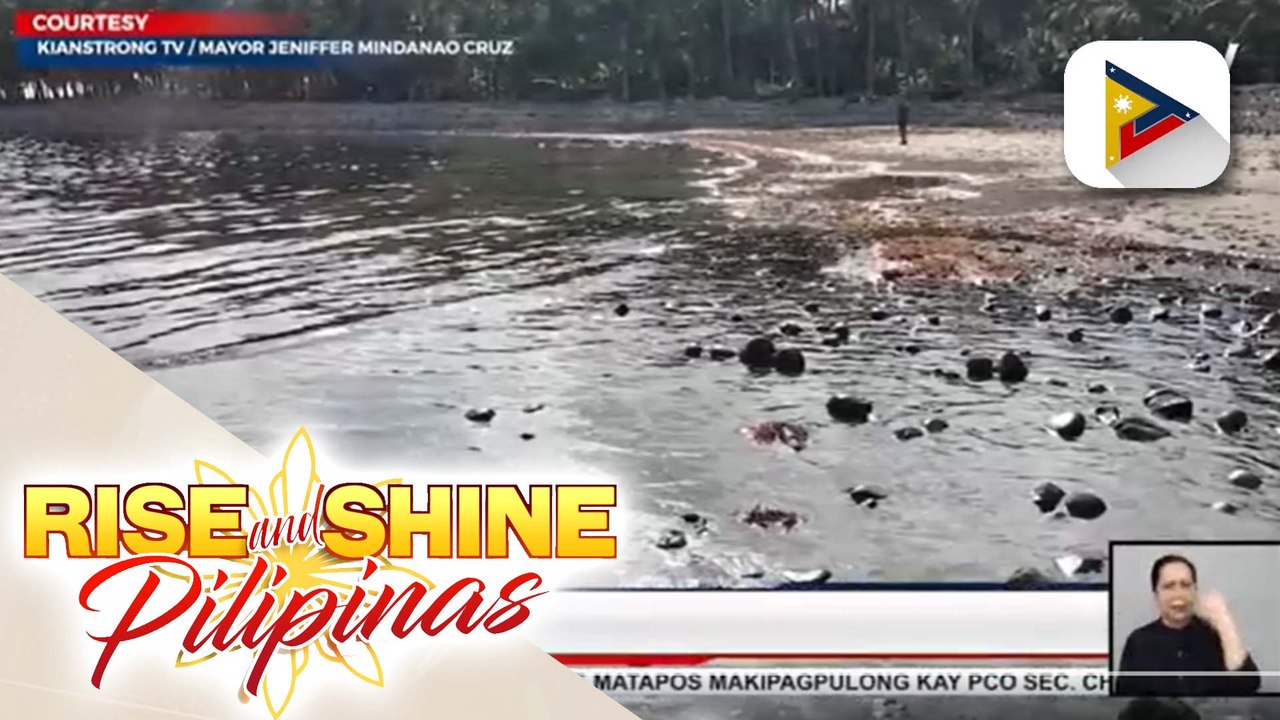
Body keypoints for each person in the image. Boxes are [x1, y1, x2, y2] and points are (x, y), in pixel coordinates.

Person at [1114, 554, 1260, 696]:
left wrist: (1223, 620)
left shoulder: (1215, 634)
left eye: (1185, 585)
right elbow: (1125, 698)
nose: (1178, 594)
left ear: (1195, 591)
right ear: (1156, 595)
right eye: (1169, 586)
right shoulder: (1139, 641)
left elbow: (1248, 685)